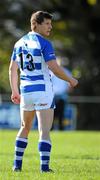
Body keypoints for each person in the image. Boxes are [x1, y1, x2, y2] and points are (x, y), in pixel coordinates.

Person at [9, 11, 78, 173]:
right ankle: (44, 168)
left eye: (50, 23)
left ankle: (16, 165)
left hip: (26, 91)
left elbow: (12, 69)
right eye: (46, 23)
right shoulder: (44, 43)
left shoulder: (18, 43)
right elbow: (54, 67)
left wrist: (14, 91)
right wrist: (70, 79)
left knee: (25, 127)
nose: (50, 27)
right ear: (36, 24)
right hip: (43, 90)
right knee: (44, 130)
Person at [51, 61, 72, 130]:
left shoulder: (67, 72)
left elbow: (69, 85)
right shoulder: (52, 72)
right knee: (51, 114)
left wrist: (66, 92)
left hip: (62, 96)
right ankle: (51, 129)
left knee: (61, 114)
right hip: (52, 96)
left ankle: (61, 129)